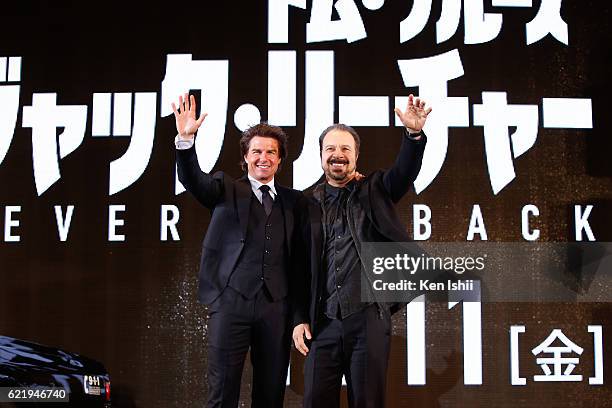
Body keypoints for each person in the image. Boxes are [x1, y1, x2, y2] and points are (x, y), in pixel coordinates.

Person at [292, 94, 431, 408]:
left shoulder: (376, 190)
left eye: (345, 149)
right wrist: (299, 318)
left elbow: (404, 171)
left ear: (356, 156)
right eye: (331, 149)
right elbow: (299, 268)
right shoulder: (305, 203)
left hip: (367, 318)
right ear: (320, 156)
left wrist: (413, 135)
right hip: (322, 323)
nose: (337, 155)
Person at [172, 94, 304, 408]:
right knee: (222, 393)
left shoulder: (295, 202)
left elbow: (299, 263)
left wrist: (297, 314)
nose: (264, 158)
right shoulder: (225, 188)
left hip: (276, 308)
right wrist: (185, 140)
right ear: (245, 157)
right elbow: (193, 180)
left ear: (280, 160)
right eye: (256, 151)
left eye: (271, 152)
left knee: (270, 395)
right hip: (230, 304)